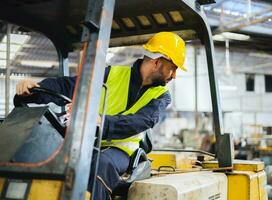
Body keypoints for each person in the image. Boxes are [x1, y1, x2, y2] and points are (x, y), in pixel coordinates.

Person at [15, 32, 187, 199]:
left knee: (100, 165)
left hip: (122, 150)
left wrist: (102, 122)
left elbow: (143, 120)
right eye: (172, 69)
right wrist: (34, 89)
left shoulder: (162, 95)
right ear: (157, 62)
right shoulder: (111, 74)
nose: (174, 75)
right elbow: (70, 86)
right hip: (88, 143)